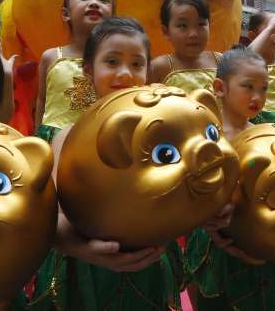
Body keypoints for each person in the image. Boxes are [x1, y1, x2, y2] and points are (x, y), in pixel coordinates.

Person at [26, 17, 183, 310]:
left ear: (148, 72)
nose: (125, 73)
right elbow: (54, 213)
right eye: (111, 62)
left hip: (148, 261)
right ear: (88, 71)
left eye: (137, 64)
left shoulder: (163, 133)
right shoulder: (67, 137)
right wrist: (81, 249)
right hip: (84, 268)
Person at [185, 45, 275, 311]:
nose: (258, 96)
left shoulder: (267, 133)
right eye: (248, 86)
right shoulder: (206, 136)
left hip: (263, 241)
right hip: (214, 243)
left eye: (264, 88)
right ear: (220, 87)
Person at [34, 0, 114, 143]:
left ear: (112, 16)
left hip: (97, 139)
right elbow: (41, 99)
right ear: (66, 14)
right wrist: (37, 138)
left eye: (103, 0)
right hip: (53, 139)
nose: (94, 3)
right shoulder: (51, 56)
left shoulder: (115, 61)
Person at [150, 0, 220, 92]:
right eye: (183, 26)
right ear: (166, 31)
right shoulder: (159, 67)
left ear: (209, 25)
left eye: (201, 24)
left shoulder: (221, 62)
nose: (193, 34)